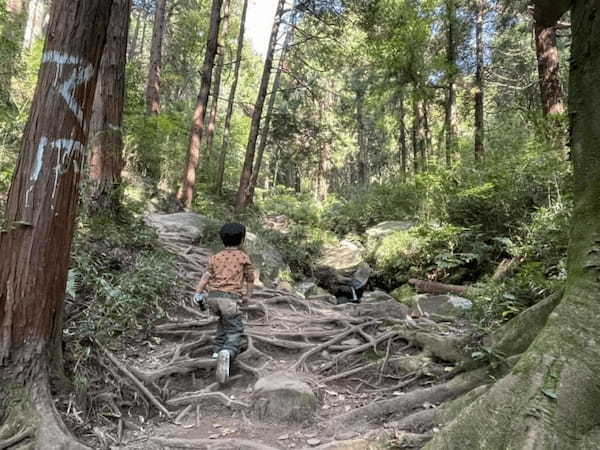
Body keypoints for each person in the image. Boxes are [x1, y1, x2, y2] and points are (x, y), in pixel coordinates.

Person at [193, 223, 255, 384]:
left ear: (222, 240)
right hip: (229, 299)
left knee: (222, 322)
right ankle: (228, 352)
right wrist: (248, 297)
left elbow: (206, 275)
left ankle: (217, 350)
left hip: (212, 298)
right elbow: (250, 279)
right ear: (242, 240)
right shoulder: (243, 257)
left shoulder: (216, 257)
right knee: (235, 329)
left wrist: (198, 292)